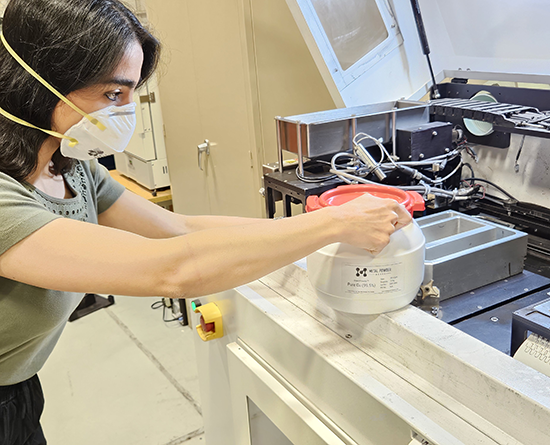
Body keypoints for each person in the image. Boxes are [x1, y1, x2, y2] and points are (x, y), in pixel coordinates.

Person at [0, 0, 412, 443]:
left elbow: (180, 229)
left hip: (19, 387)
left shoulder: (67, 163)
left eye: (131, 93)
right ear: (38, 83)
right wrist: (332, 228)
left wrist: (329, 218)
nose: (124, 113)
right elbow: (172, 269)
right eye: (112, 94)